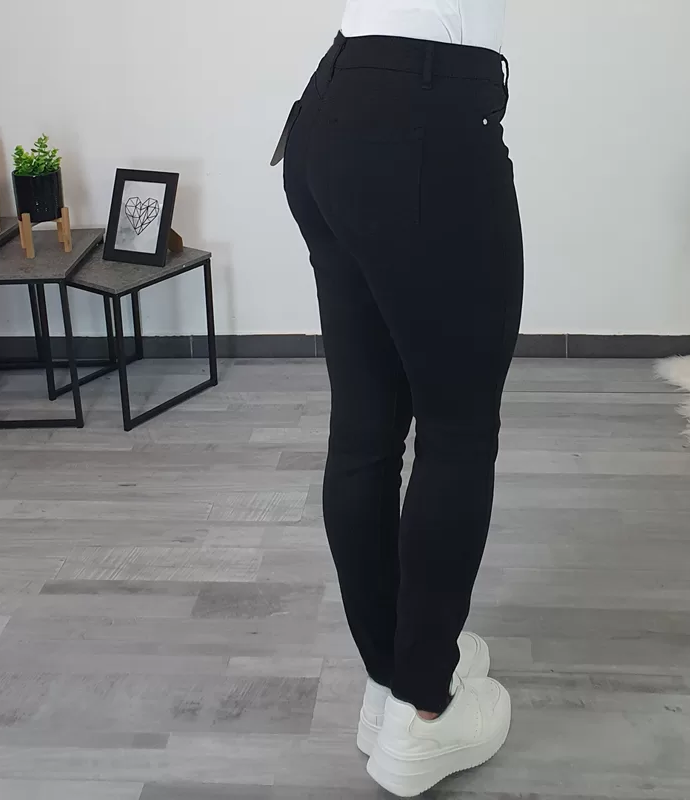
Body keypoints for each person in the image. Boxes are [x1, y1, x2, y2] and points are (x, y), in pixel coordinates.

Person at [279, 1, 522, 795]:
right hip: (423, 116)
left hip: (333, 106)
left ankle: (391, 676)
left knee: (365, 428)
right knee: (457, 431)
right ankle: (424, 709)